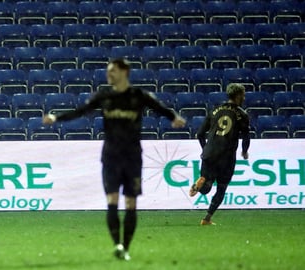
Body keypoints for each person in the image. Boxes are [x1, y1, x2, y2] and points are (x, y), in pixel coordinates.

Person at [43, 59, 186, 260]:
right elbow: (80, 111)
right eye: (108, 71)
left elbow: (160, 107)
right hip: (110, 156)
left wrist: (174, 117)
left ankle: (125, 248)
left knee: (131, 203)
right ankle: (117, 244)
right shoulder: (104, 96)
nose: (108, 74)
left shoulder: (138, 95)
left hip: (132, 157)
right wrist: (56, 118)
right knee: (112, 200)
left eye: (112, 71)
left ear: (124, 71)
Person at [189, 83, 250, 225]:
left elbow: (199, 134)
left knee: (206, 186)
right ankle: (207, 218)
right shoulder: (242, 114)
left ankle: (202, 181)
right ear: (238, 95)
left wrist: (205, 149)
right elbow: (246, 136)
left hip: (209, 153)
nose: (244, 97)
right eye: (243, 94)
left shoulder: (214, 110)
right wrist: (244, 151)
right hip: (227, 156)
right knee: (221, 188)